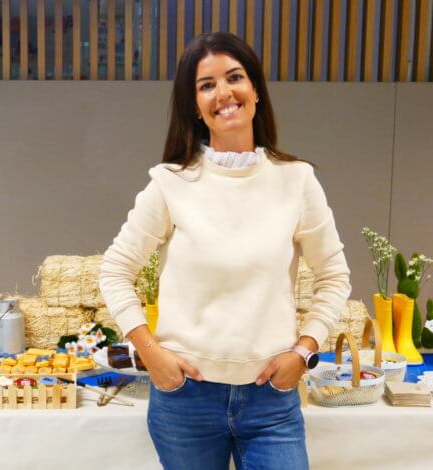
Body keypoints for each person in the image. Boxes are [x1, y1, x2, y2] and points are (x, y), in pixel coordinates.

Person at [99, 32, 351, 470]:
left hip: (272, 399)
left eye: (234, 77)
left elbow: (334, 276)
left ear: (255, 89)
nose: (224, 93)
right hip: (185, 402)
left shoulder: (297, 180)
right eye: (206, 85)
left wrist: (304, 351)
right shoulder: (170, 183)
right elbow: (115, 270)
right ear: (194, 106)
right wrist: (150, 355)